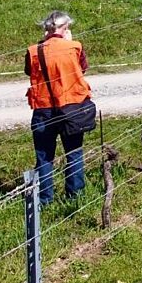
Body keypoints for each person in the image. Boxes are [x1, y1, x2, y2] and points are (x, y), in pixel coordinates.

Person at [25, 11, 90, 205]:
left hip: (43, 109)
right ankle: (75, 197)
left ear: (46, 29)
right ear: (66, 28)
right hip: (71, 108)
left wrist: (44, 44)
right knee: (74, 152)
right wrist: (67, 42)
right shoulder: (75, 47)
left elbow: (29, 71)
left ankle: (45, 200)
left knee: (44, 156)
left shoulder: (33, 50)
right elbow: (82, 68)